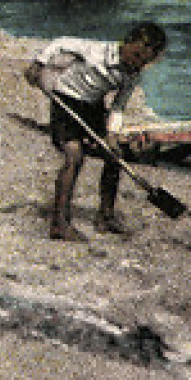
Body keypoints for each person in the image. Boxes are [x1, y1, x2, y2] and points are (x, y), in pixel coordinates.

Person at [24, 22, 168, 241]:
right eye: (136, 55)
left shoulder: (132, 75)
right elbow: (60, 42)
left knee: (115, 156)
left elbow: (118, 107)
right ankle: (59, 223)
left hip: (93, 107)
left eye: (144, 61)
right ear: (126, 42)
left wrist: (111, 134)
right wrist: (38, 64)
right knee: (74, 156)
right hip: (66, 100)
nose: (137, 63)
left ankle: (106, 216)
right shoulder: (95, 51)